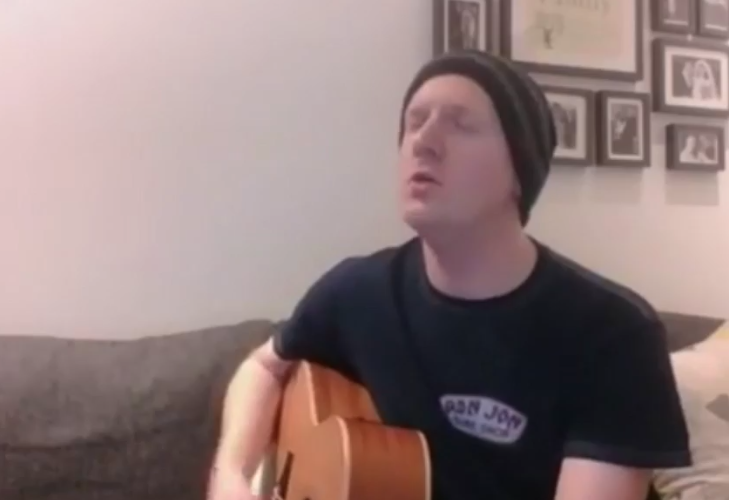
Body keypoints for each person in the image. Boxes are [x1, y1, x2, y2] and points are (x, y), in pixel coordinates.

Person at [208, 50, 691, 500]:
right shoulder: (357, 293)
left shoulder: (613, 334)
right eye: (414, 122)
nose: (424, 141)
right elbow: (265, 367)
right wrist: (230, 475)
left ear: (519, 171)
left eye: (461, 124)